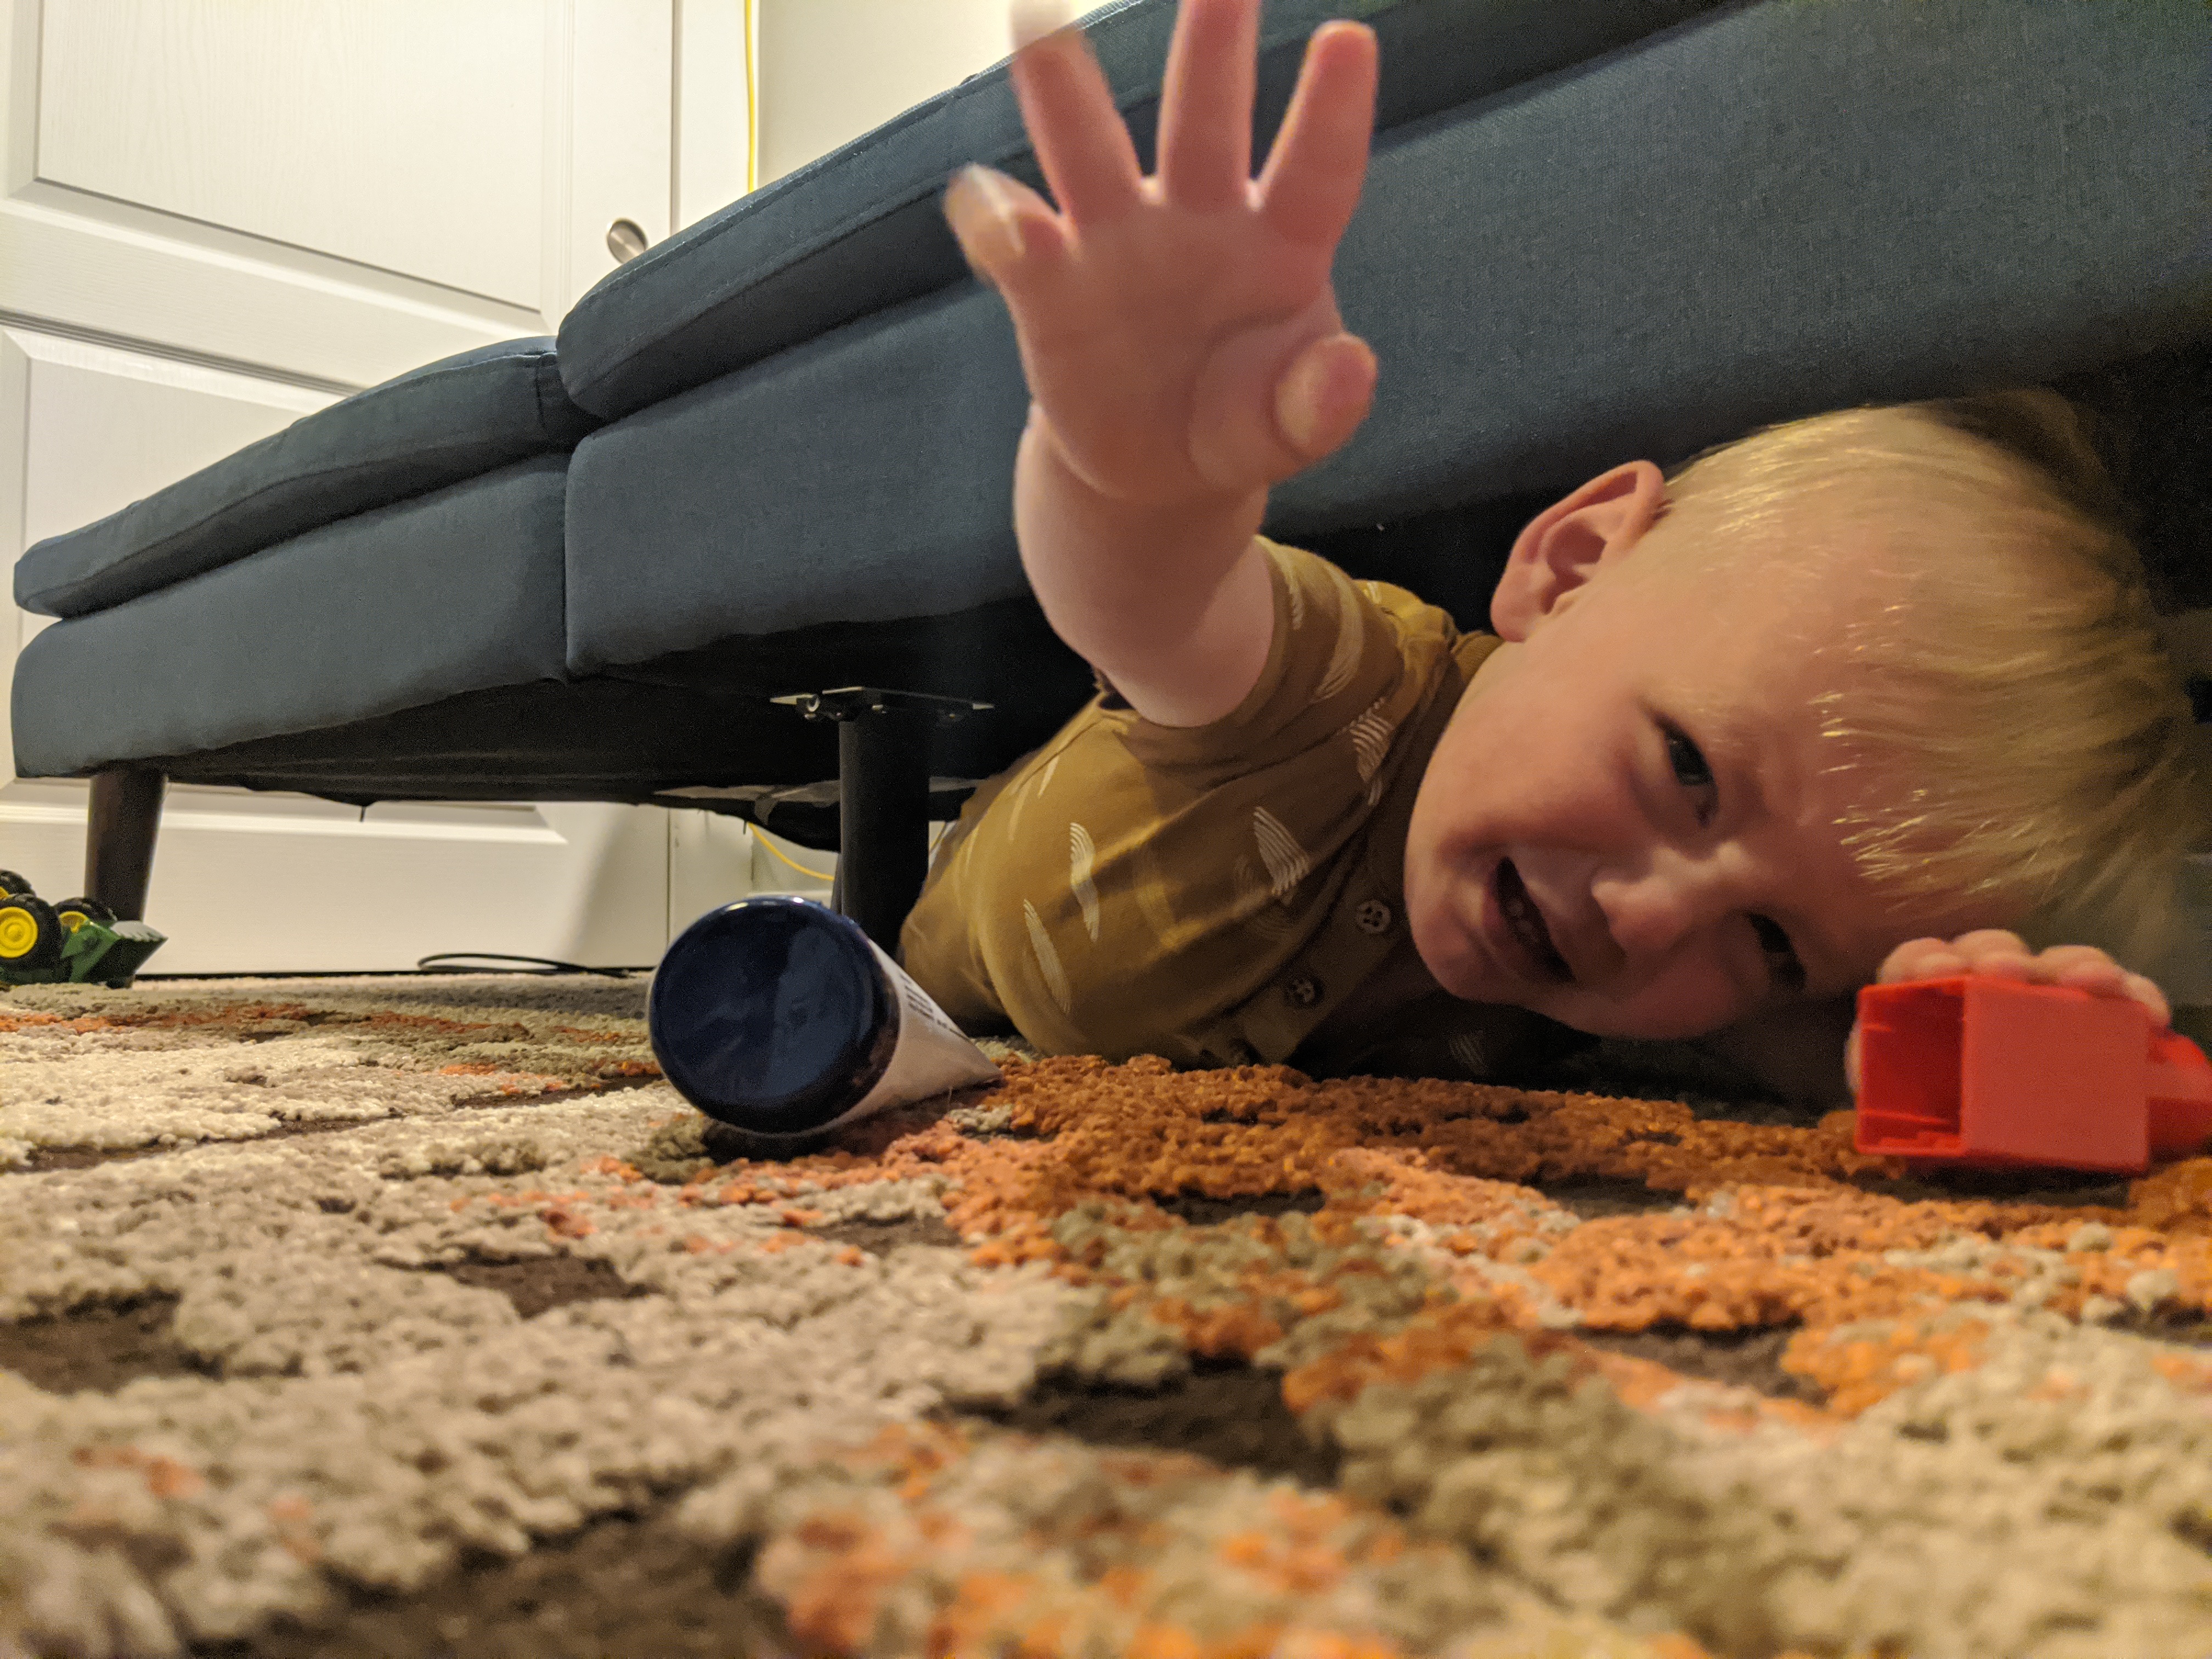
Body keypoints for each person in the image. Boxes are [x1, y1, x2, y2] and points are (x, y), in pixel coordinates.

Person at [898, 0, 2204, 1102]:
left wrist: (1968, 1035)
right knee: (895, 975)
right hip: (980, 925)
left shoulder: (1651, 987)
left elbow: (1818, 1061)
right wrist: (1128, 476)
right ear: (1569, 567)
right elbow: (1160, 609)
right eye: (1685, 769)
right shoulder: (1335, 690)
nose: (1653, 917)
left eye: (1771, 941)